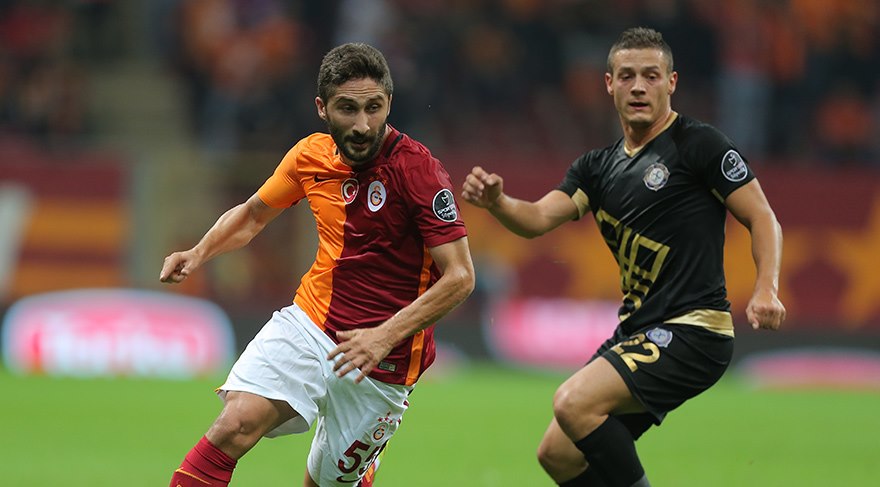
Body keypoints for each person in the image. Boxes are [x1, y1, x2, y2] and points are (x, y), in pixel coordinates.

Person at [461, 27, 785, 487]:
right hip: (638, 330)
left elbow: (763, 217)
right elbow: (536, 218)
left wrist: (766, 288)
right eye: (627, 76)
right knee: (558, 455)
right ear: (609, 84)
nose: (638, 87)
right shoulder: (595, 168)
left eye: (651, 76)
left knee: (573, 402)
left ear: (671, 82)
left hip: (694, 329)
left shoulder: (700, 145)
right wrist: (498, 202)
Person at [161, 42, 475, 487]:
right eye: (348, 108)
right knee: (235, 424)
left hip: (385, 361)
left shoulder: (419, 172)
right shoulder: (310, 156)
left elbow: (461, 277)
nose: (363, 124)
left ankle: (360, 467)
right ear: (322, 108)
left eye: (374, 107)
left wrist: (383, 335)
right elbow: (252, 216)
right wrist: (198, 252)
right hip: (311, 325)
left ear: (389, 103)